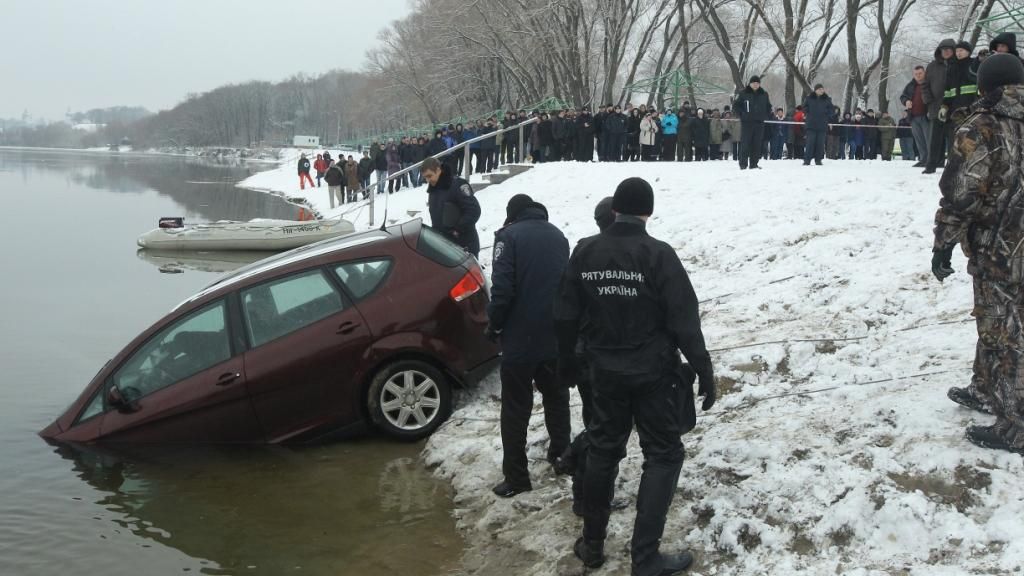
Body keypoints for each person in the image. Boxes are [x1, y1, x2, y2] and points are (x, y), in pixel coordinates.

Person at [555, 177, 715, 576]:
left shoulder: (586, 251)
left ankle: (592, 546)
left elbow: (564, 314)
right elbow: (684, 320)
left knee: (604, 451)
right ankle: (645, 558)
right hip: (652, 374)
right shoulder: (657, 254)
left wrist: (567, 362)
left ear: (615, 210)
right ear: (648, 211)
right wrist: (703, 368)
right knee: (663, 454)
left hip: (603, 373)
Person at [932, 53, 1024, 455]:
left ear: (985, 86)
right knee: (995, 320)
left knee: (1007, 329)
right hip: (1010, 243)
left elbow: (962, 193)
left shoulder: (981, 126)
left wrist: (943, 241)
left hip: (1000, 249)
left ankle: (1017, 423)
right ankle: (987, 388)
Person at [486, 194, 572, 498]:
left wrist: (494, 324)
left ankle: (517, 478)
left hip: (520, 341)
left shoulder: (506, 238)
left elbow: (502, 291)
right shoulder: (559, 236)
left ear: (512, 216)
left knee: (515, 409)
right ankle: (562, 457)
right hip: (555, 338)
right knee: (557, 399)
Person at [422, 157, 480, 257]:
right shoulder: (433, 190)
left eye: (429, 176)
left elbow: (473, 211)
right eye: (425, 177)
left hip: (464, 244)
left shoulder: (457, 184)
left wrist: (457, 230)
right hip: (446, 246)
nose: (428, 180)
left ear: (438, 170)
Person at [923, 39, 957, 174]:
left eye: (949, 49)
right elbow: (925, 86)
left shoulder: (958, 65)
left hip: (954, 108)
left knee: (953, 139)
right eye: (943, 50)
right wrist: (928, 101)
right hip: (936, 107)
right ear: (939, 51)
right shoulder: (932, 66)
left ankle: (952, 167)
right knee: (934, 140)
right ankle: (931, 166)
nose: (946, 52)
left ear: (953, 51)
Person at [735, 76, 772, 169]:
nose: (755, 85)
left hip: (759, 123)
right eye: (753, 83)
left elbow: (768, 106)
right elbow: (736, 106)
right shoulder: (743, 93)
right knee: (745, 144)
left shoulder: (764, 94)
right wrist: (742, 115)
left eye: (757, 83)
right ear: (750, 84)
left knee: (757, 144)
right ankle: (743, 164)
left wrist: (765, 115)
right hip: (747, 123)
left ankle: (754, 164)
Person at [901, 65, 931, 167]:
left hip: (927, 117)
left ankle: (930, 160)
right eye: (916, 74)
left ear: (924, 73)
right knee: (919, 140)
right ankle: (923, 159)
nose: (918, 76)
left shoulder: (929, 83)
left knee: (929, 139)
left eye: (920, 73)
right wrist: (906, 101)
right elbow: (903, 96)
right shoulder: (910, 85)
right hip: (913, 117)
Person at [803, 84, 832, 166]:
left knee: (820, 144)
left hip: (822, 125)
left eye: (822, 89)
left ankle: (818, 160)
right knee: (810, 143)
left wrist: (826, 113)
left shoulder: (827, 99)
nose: (821, 91)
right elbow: (804, 107)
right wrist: (808, 111)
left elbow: (832, 110)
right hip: (811, 124)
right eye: (819, 89)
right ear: (815, 90)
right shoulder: (809, 98)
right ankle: (807, 160)